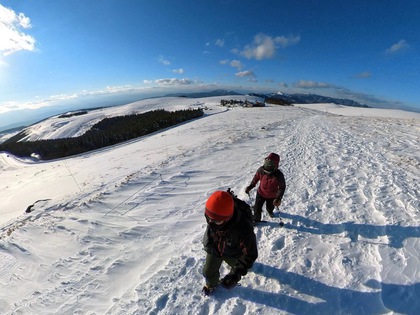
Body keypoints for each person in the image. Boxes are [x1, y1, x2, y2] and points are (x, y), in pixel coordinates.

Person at [202, 190, 258, 295]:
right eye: (208, 217)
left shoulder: (243, 229)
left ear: (227, 218)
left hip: (234, 253)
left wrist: (235, 275)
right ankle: (211, 284)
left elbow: (250, 254)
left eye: (216, 221)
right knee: (208, 272)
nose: (210, 223)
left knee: (243, 266)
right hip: (215, 248)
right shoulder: (215, 218)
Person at [245, 153, 286, 223]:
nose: (267, 173)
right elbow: (256, 178)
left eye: (269, 172)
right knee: (257, 208)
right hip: (260, 193)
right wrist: (251, 186)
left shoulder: (279, 175)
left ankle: (270, 211)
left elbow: (282, 187)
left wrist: (278, 198)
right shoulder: (261, 170)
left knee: (270, 207)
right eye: (266, 171)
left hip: (272, 196)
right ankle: (256, 219)